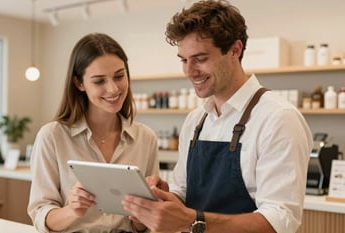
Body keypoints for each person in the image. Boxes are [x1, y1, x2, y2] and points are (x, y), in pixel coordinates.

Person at [122, 1, 313, 233]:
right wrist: (160, 198)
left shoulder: (278, 118)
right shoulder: (196, 120)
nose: (189, 71)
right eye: (183, 60)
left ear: (235, 50)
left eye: (200, 59)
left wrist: (190, 220)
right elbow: (182, 191)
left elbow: (279, 221)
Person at [28, 33, 159, 233]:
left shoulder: (146, 138)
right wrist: (72, 210)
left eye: (119, 76)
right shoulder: (52, 136)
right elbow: (40, 215)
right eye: (99, 81)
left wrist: (144, 211)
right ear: (79, 83)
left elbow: (143, 226)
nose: (114, 88)